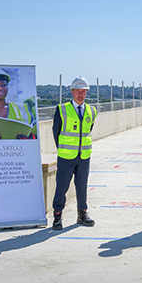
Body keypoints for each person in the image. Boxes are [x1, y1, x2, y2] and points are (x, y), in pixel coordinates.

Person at [51, 77, 98, 230]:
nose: (81, 94)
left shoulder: (92, 110)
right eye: (78, 91)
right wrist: (63, 148)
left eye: (83, 91)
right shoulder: (62, 109)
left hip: (84, 156)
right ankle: (57, 216)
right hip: (66, 157)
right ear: (72, 92)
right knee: (62, 187)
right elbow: (56, 132)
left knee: (82, 186)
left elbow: (88, 129)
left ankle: (82, 214)